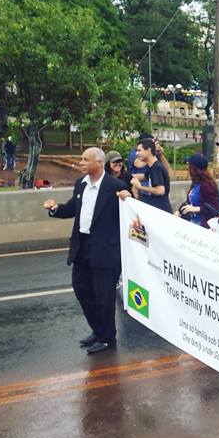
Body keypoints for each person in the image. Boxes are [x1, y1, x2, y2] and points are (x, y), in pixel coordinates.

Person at [43, 148, 127, 355]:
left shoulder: (116, 187)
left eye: (85, 160)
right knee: (81, 288)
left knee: (104, 296)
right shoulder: (80, 184)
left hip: (105, 250)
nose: (81, 163)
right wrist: (55, 208)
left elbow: (130, 213)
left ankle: (107, 339)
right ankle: (98, 330)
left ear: (98, 163)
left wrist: (127, 198)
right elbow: (73, 208)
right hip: (82, 246)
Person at [176, 153, 219, 228]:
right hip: (193, 222)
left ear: (194, 168)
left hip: (203, 226)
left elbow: (215, 208)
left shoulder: (206, 185)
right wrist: (178, 212)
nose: (187, 167)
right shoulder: (196, 183)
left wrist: (195, 209)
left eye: (188, 164)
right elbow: (189, 202)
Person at [131, 139, 172, 213]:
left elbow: (160, 191)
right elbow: (145, 177)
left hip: (162, 211)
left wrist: (139, 187)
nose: (136, 154)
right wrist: (129, 176)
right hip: (158, 208)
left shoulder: (156, 168)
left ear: (148, 150)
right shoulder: (152, 167)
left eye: (139, 150)